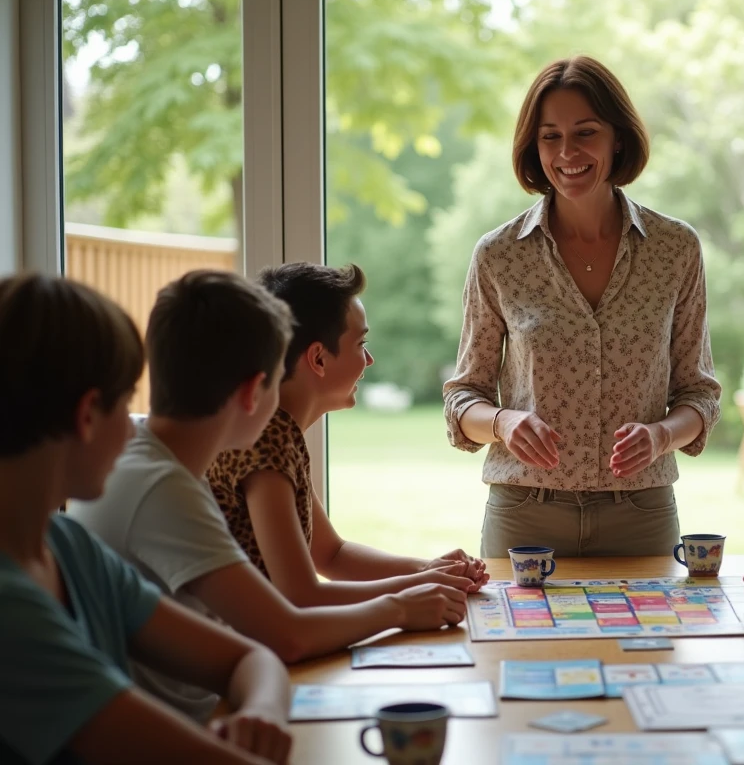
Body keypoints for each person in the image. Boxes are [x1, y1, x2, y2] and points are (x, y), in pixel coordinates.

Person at [71, 270, 468, 723]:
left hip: (218, 706)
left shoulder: (152, 456)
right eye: (276, 378)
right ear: (251, 392)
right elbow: (289, 632)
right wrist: (399, 606)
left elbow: (276, 626)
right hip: (196, 724)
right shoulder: (162, 486)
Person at [1, 273, 292, 765]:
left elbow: (251, 657)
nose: (136, 426)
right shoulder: (10, 607)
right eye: (127, 400)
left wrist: (261, 711)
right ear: (89, 414)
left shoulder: (69, 546)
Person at [443, 55, 722, 557]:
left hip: (642, 513)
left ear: (618, 138)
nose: (567, 152)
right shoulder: (499, 254)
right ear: (534, 146)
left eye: (585, 132)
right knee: (516, 639)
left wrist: (660, 436)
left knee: (648, 640)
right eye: (550, 136)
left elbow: (699, 395)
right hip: (524, 512)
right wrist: (503, 422)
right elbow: (464, 397)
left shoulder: (676, 248)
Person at [207, 263, 488, 608]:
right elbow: (300, 596)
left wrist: (431, 569)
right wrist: (415, 590)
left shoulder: (278, 432)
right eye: (361, 343)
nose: (369, 360)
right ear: (319, 358)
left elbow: (331, 555)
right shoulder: (267, 440)